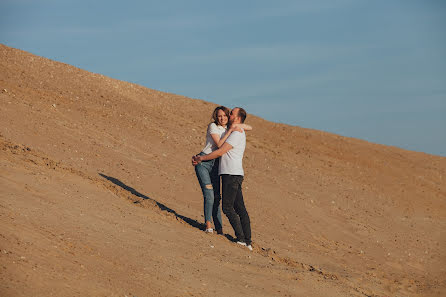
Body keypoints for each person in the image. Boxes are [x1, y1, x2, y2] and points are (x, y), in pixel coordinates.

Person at [192, 107, 252, 250]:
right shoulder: (232, 130)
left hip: (230, 174)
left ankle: (242, 239)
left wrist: (202, 158)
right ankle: (247, 240)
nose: (227, 116)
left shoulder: (235, 133)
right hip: (231, 173)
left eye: (230, 113)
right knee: (239, 207)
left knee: (227, 207)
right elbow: (248, 126)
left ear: (236, 118)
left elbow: (220, 151)